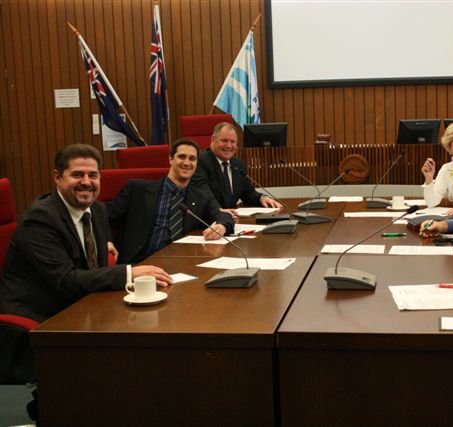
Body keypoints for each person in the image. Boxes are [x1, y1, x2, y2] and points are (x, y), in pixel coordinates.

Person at [0, 144, 173, 417]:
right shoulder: (41, 219)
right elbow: (66, 281)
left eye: (93, 175)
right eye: (77, 174)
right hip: (42, 316)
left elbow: (86, 263)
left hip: (81, 306)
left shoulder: (97, 211)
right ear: (57, 177)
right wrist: (128, 272)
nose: (86, 182)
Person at [107, 139, 235, 264]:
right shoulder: (137, 190)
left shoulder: (201, 196)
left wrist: (222, 226)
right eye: (181, 157)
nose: (187, 162)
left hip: (181, 263)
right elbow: (103, 216)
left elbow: (223, 215)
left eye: (192, 158)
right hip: (140, 262)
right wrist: (107, 240)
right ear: (170, 159)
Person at [191, 122, 283, 219]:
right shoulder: (200, 162)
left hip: (232, 221)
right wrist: (218, 210)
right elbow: (203, 195)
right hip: (207, 222)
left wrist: (262, 198)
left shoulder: (238, 165)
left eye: (233, 142)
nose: (229, 146)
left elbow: (248, 193)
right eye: (224, 141)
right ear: (213, 140)